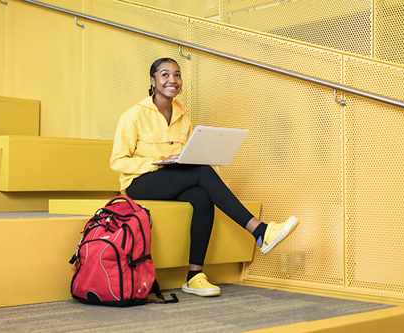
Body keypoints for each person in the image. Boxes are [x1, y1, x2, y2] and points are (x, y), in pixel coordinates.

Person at [110, 58, 299, 297]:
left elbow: (190, 158)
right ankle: (259, 231)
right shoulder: (133, 116)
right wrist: (159, 161)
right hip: (139, 183)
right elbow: (118, 161)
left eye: (177, 75)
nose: (172, 80)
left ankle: (194, 275)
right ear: (153, 81)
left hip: (172, 181)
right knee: (201, 171)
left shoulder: (183, 118)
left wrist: (197, 173)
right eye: (165, 74)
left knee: (202, 195)